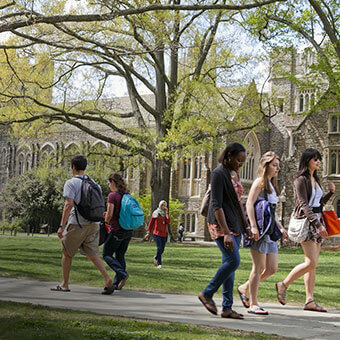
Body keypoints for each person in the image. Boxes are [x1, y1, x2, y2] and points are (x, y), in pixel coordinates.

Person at [275, 148, 335, 312]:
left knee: (312, 265)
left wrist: (330, 194)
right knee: (311, 262)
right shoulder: (300, 180)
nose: (318, 162)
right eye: (315, 159)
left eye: (319, 159)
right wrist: (317, 224)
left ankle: (309, 300)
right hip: (308, 223)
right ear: (307, 160)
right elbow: (303, 204)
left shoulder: (315, 179)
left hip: (317, 220)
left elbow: (317, 204)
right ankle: (283, 284)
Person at [198, 142, 252, 319]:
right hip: (221, 225)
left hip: (234, 224)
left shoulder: (233, 174)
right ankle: (207, 293)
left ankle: (227, 308)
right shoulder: (218, 173)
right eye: (238, 160)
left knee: (230, 266)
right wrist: (226, 233)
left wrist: (246, 226)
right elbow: (216, 205)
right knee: (233, 261)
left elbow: (237, 203)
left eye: (243, 162)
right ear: (229, 156)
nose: (240, 164)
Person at [51, 154, 113, 293]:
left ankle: (65, 284)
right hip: (94, 224)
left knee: (67, 253)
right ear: (84, 167)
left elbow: (68, 204)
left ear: (73, 167)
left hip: (77, 224)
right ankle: (108, 278)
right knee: (93, 254)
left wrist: (62, 226)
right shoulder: (94, 184)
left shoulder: (71, 183)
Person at [237, 151, 288, 315]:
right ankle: (253, 303)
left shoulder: (272, 185)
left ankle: (244, 288)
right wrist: (253, 227)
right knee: (258, 268)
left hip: (270, 231)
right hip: (259, 230)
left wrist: (280, 227)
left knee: (272, 268)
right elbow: (249, 204)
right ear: (266, 166)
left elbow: (271, 213)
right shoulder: (259, 182)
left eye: (278, 166)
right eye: (274, 165)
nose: (277, 168)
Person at [102, 173, 132, 293]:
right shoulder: (126, 195)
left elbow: (109, 214)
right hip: (128, 231)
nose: (108, 185)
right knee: (120, 255)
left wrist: (106, 221)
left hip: (117, 230)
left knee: (106, 254)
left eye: (109, 182)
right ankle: (116, 284)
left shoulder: (112, 196)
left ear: (113, 182)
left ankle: (122, 273)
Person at [145, 200, 170, 269]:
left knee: (162, 249)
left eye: (165, 205)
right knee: (159, 248)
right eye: (162, 205)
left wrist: (167, 214)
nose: (163, 207)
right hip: (157, 233)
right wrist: (148, 233)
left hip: (164, 233)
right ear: (160, 205)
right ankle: (159, 263)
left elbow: (168, 222)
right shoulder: (156, 213)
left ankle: (156, 257)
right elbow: (151, 223)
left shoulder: (165, 213)